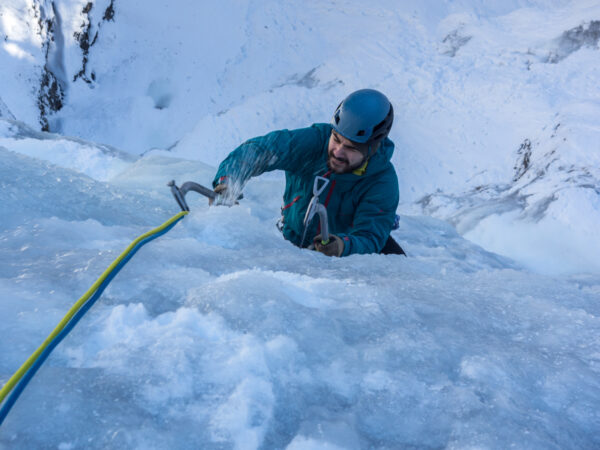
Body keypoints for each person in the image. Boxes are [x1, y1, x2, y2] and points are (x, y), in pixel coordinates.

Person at [212, 88, 405, 257]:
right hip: (291, 240)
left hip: (337, 259)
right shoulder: (313, 142)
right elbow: (261, 150)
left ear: (372, 148)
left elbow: (370, 237)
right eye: (336, 139)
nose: (338, 152)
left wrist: (341, 246)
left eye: (351, 148)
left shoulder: (382, 182)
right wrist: (229, 181)